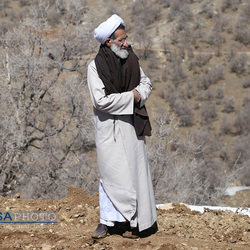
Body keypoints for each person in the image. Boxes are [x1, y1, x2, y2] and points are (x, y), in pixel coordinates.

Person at [87, 14, 157, 239]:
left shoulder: (131, 59)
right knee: (111, 176)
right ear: (108, 42)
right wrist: (132, 97)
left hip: (131, 126)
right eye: (121, 40)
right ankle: (107, 223)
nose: (126, 43)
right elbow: (101, 102)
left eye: (126, 39)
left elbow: (146, 83)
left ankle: (135, 223)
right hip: (109, 129)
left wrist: (139, 94)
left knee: (135, 176)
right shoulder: (94, 67)